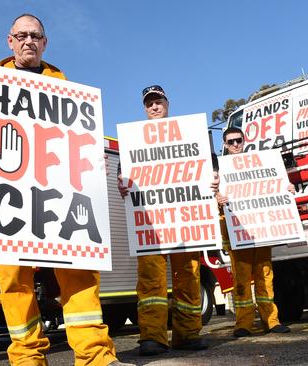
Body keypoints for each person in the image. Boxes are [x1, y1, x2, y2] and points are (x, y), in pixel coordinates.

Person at [0, 14, 132, 366]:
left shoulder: (62, 85)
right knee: (14, 279)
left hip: (58, 197)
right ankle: (27, 358)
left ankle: (95, 356)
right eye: (21, 36)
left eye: (35, 36)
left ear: (45, 43)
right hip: (11, 197)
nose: (28, 41)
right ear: (10, 41)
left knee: (79, 272)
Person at [116, 85, 210, 356]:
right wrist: (121, 182)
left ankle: (188, 334)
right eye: (149, 104)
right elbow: (124, 171)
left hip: (184, 223)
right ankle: (153, 337)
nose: (154, 107)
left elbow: (208, 162)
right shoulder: (134, 141)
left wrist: (213, 175)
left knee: (189, 276)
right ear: (144, 109)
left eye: (158, 102)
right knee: (150, 280)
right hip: (151, 224)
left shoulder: (189, 134)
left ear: (167, 104)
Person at [215, 126, 292, 338]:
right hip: (236, 232)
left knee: (265, 274)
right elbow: (208, 194)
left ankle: (271, 321)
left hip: (260, 230)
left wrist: (287, 189)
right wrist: (217, 198)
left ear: (244, 140)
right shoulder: (219, 169)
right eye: (231, 142)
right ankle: (244, 324)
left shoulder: (261, 164)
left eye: (238, 140)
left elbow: (274, 186)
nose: (235, 145)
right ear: (225, 145)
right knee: (241, 278)